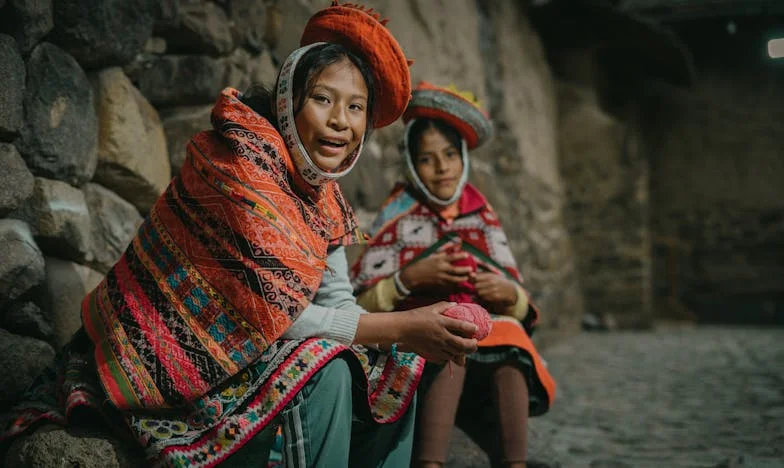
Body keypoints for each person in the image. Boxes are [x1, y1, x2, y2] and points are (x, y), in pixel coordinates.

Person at [1, 4, 479, 467]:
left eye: (356, 108)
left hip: (244, 353)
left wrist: (402, 337)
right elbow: (269, 316)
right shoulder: (235, 168)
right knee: (328, 367)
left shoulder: (322, 197)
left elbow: (336, 299)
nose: (341, 121)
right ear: (288, 102)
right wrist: (399, 324)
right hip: (167, 356)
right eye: (323, 99)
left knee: (396, 369)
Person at [351, 82, 557, 468]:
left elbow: (524, 309)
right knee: (451, 327)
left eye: (449, 155)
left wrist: (506, 293)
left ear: (463, 157)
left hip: (488, 352)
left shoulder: (481, 214)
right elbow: (358, 303)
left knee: (509, 335)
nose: (442, 167)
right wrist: (408, 278)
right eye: (427, 159)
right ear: (412, 165)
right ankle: (430, 462)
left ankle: (516, 462)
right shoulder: (400, 213)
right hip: (413, 344)